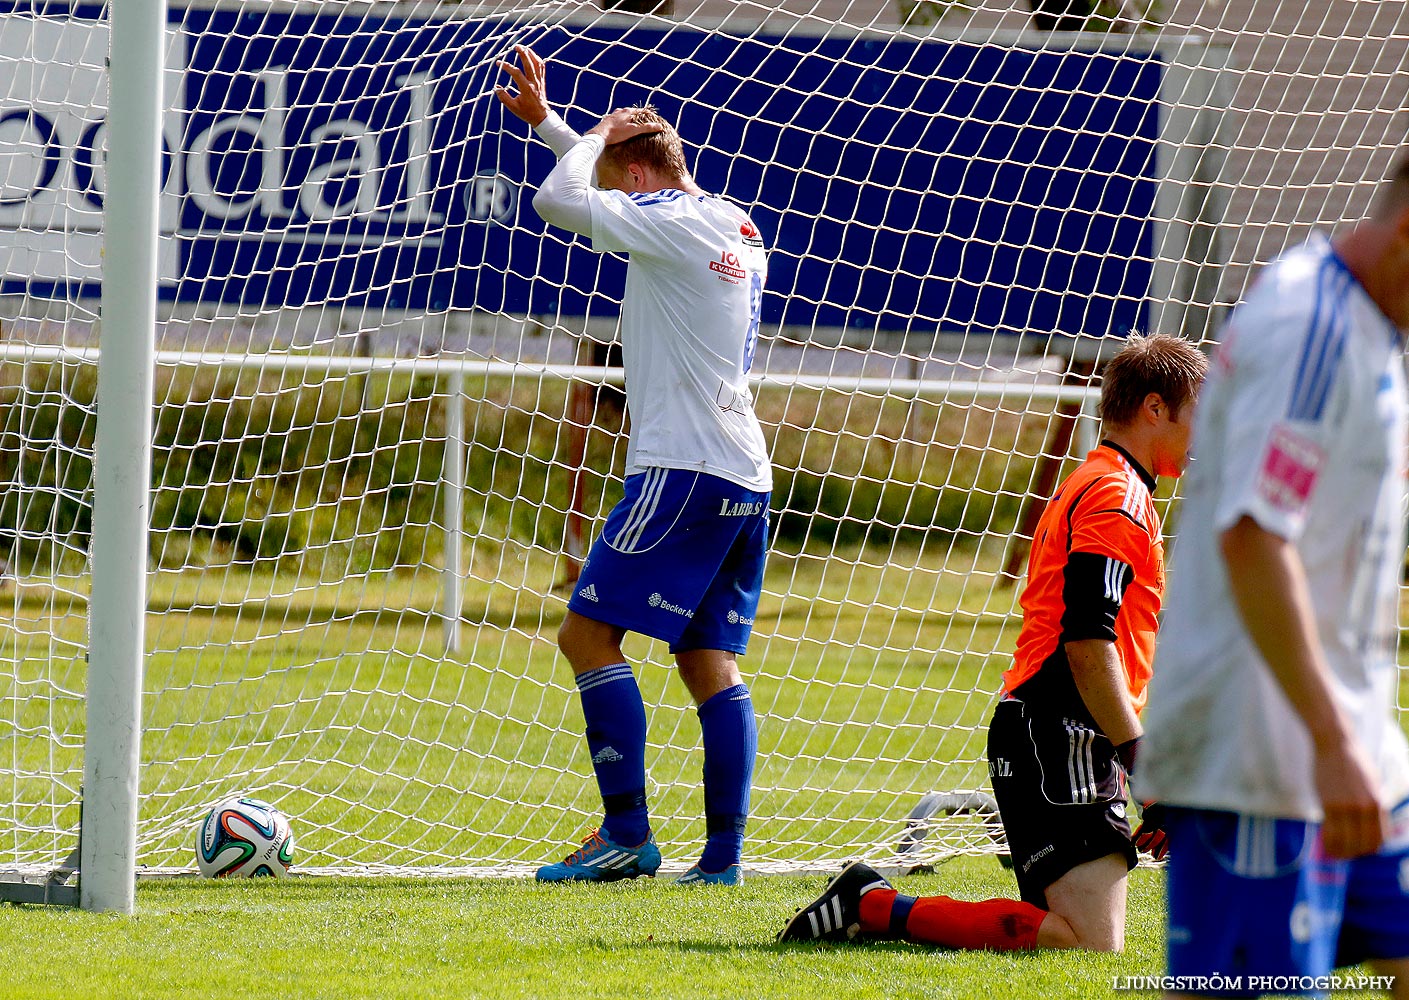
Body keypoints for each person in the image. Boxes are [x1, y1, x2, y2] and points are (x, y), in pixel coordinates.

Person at [778, 334, 1207, 951]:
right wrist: (1141, 763)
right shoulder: (1116, 497)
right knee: (1089, 942)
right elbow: (1088, 643)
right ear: (1155, 408)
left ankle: (874, 904)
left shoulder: (1102, 481)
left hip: (1065, 731)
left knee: (1079, 933)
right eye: (1201, 410)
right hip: (1059, 734)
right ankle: (872, 906)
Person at [496, 46, 772, 886]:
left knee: (585, 633)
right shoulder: (729, 223)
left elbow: (558, 199)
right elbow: (600, 183)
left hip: (679, 467)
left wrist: (588, 142)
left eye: (620, 184)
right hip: (742, 470)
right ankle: (721, 857)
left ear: (643, 172)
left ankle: (626, 835)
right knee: (705, 662)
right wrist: (554, 125)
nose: (614, 208)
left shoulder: (670, 220)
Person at [1137, 160, 1409, 998]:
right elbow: (1254, 537)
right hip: (1261, 764)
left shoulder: (1369, 328)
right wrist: (1328, 746)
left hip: (1350, 748)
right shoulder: (1309, 326)